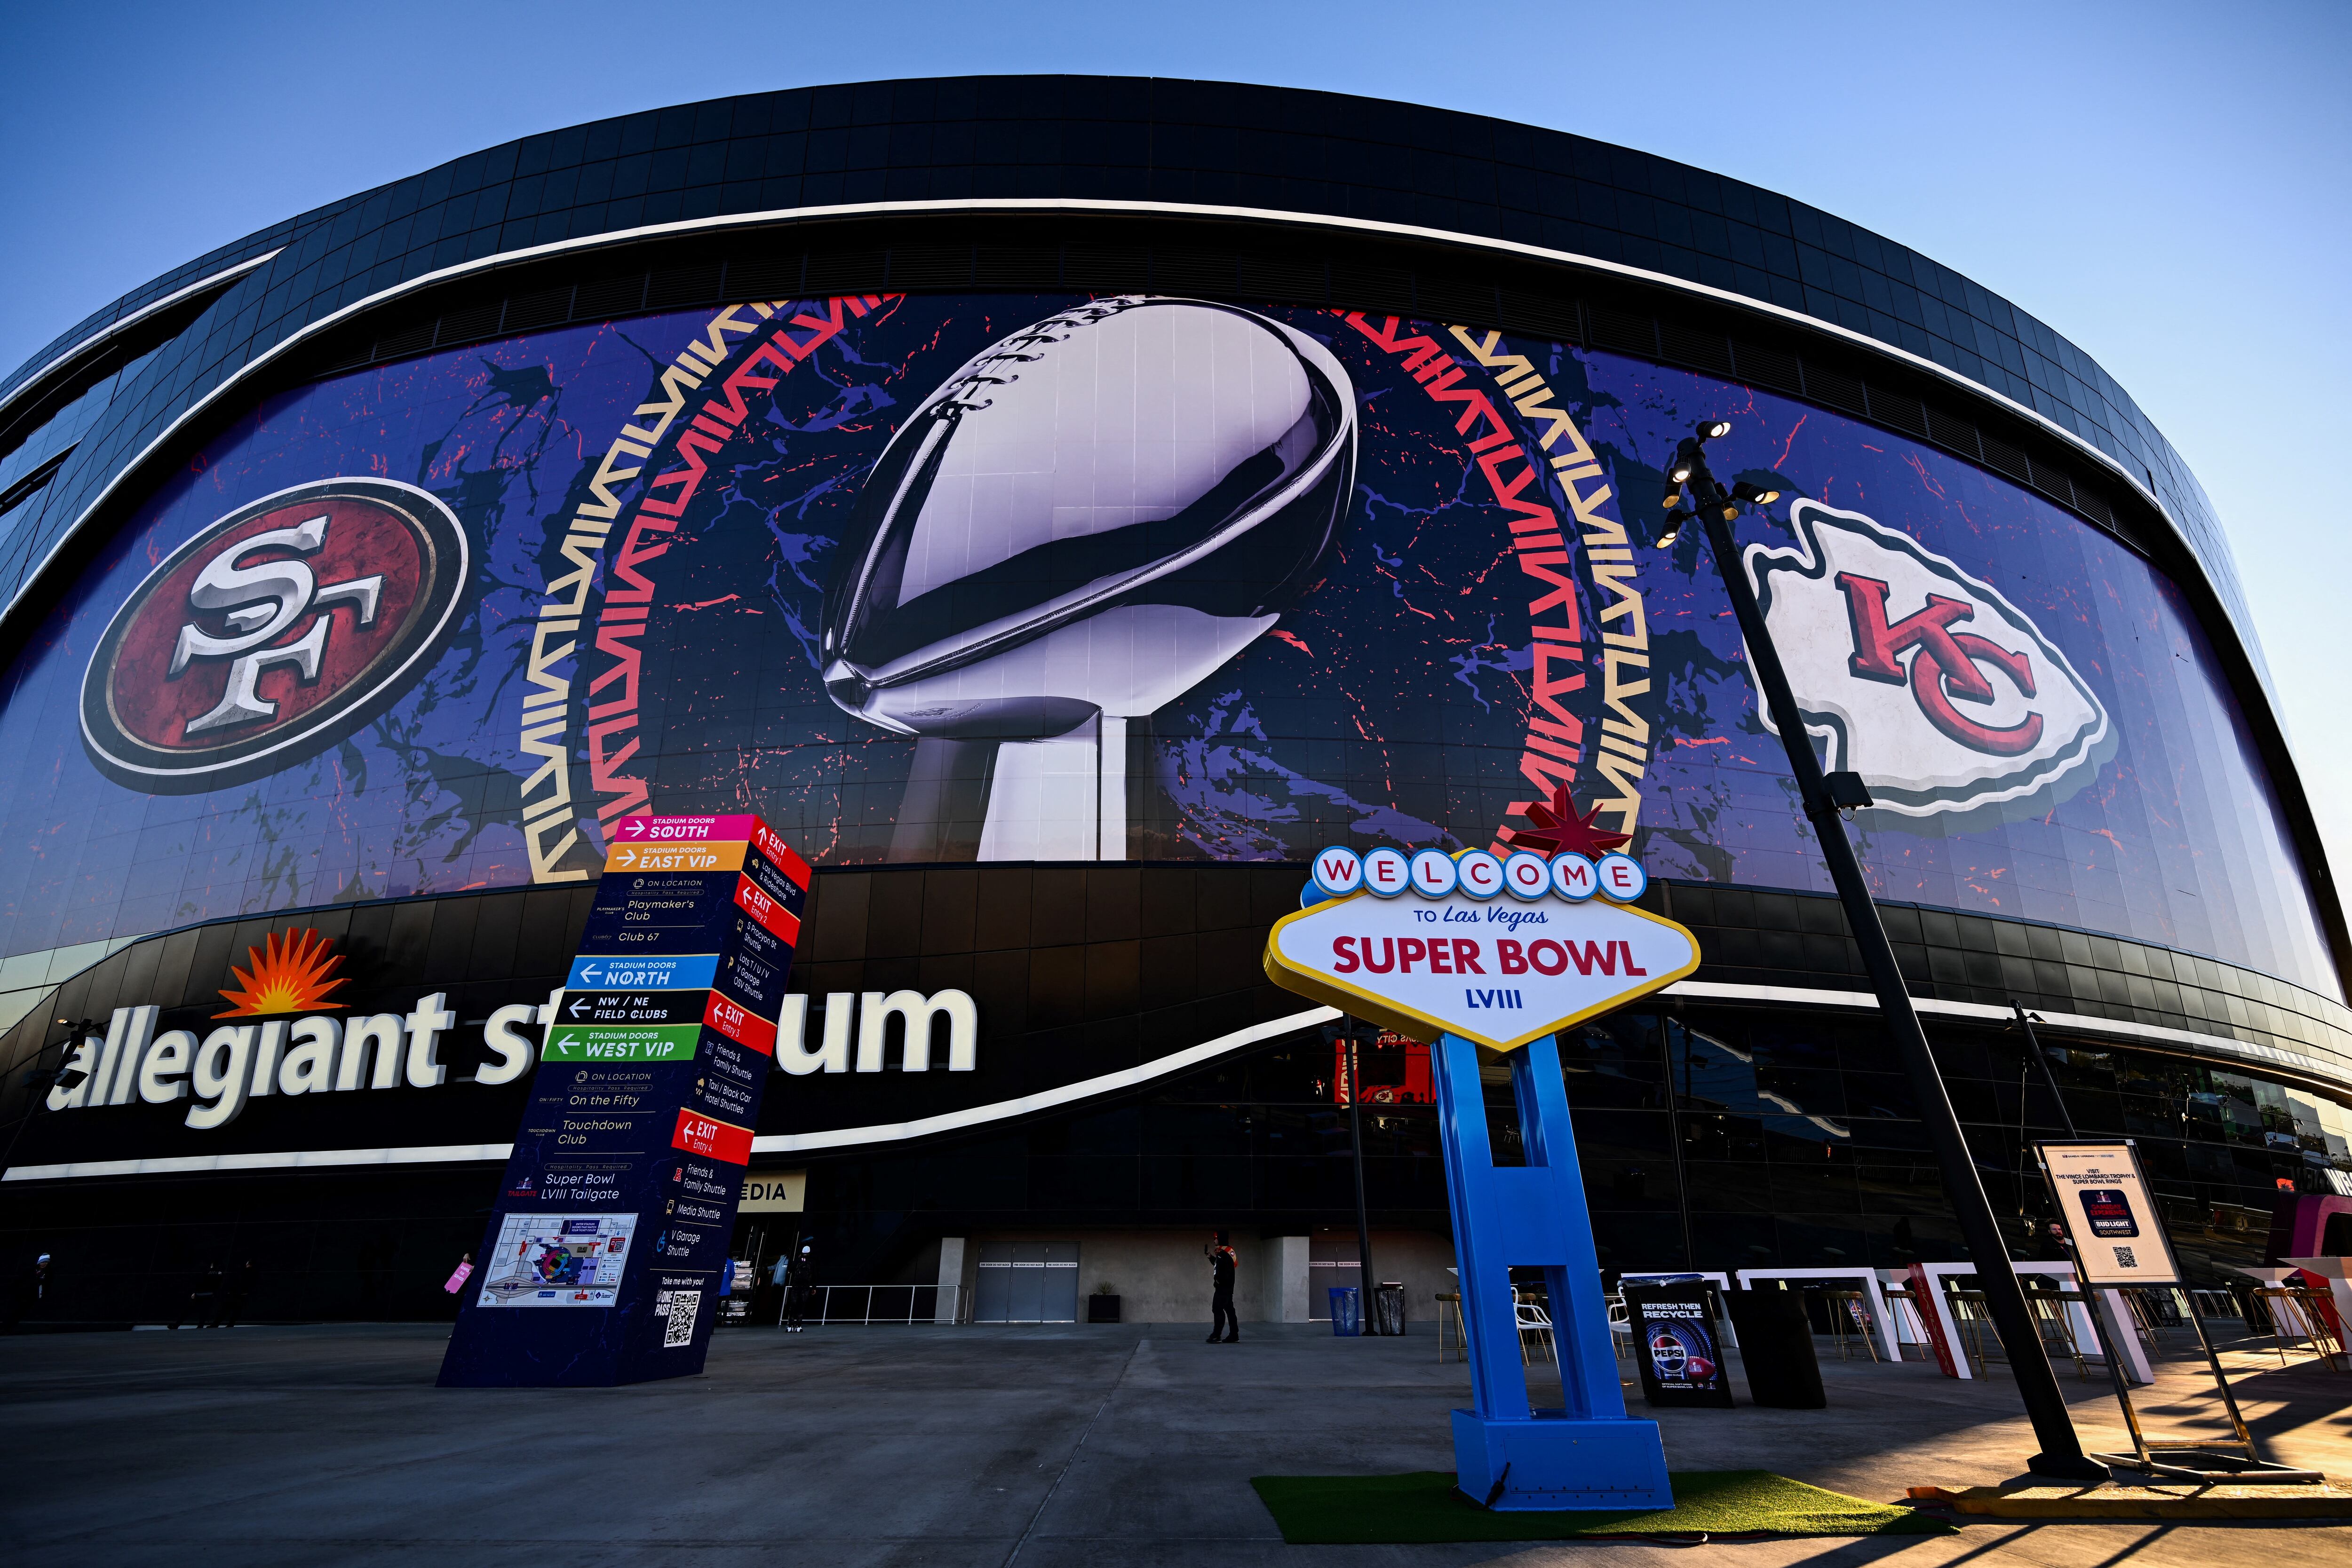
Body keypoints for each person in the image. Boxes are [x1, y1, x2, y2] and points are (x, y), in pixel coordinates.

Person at [4, 1253, 51, 1332]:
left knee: (21, 1312)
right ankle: (8, 1327)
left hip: (34, 1295)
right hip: (23, 1294)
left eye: (46, 1262)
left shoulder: (47, 1273)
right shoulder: (31, 1271)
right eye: (42, 1262)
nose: (44, 1263)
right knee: (15, 1311)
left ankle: (10, 1328)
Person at [172, 1261, 223, 1330]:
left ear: (212, 1266)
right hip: (210, 1294)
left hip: (200, 1294)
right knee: (204, 1312)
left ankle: (177, 1325)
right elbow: (219, 1285)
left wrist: (195, 1293)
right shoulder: (220, 1273)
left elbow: (200, 1282)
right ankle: (200, 1326)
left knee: (188, 1310)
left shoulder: (206, 1272)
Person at [1207, 1231, 1239, 1344]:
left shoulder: (1223, 1254)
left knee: (1217, 1309)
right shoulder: (1224, 1253)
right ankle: (1234, 1336)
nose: (1214, 1240)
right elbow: (1219, 1265)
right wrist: (1211, 1258)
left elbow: (1225, 1272)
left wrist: (1219, 1282)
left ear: (1221, 1239)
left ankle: (1216, 1336)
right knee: (1230, 1311)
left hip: (1223, 1289)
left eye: (1216, 1238)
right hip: (1227, 1289)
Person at [783, 1243, 815, 1333]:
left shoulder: (798, 1260)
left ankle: (790, 1325)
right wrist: (814, 1287)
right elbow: (814, 1274)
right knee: (802, 1305)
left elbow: (791, 1269)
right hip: (805, 1286)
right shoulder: (811, 1261)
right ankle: (799, 1325)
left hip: (796, 1285)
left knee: (793, 1304)